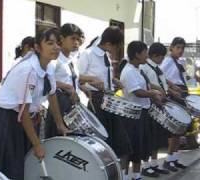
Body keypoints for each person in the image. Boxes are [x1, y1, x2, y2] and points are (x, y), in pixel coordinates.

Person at [0, 28, 68, 180]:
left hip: (24, 117)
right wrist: (37, 144)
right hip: (6, 118)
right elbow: (23, 114)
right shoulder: (28, 70)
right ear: (37, 47)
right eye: (50, 43)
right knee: (8, 168)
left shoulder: (49, 66)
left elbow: (52, 93)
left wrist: (60, 123)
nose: (56, 47)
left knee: (24, 166)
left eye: (58, 43)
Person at [77, 26, 131, 178]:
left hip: (110, 100)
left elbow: (104, 77)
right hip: (96, 101)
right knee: (102, 146)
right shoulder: (87, 54)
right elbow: (77, 77)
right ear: (108, 44)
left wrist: (114, 80)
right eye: (116, 47)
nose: (117, 50)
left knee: (121, 143)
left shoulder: (105, 56)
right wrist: (91, 83)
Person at [120, 41, 163, 180]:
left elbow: (148, 85)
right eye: (145, 52)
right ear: (137, 54)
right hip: (132, 115)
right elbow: (137, 92)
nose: (147, 55)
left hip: (142, 113)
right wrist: (152, 94)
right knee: (130, 147)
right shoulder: (128, 71)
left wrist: (159, 90)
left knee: (139, 147)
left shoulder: (139, 69)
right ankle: (125, 176)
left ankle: (137, 175)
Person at [139, 42, 182, 177]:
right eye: (161, 57)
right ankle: (145, 166)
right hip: (150, 104)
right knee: (149, 137)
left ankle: (154, 164)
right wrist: (156, 92)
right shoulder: (144, 68)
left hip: (160, 103)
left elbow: (162, 82)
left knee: (157, 138)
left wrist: (171, 90)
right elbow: (146, 85)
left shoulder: (157, 68)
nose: (163, 59)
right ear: (154, 55)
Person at [45, 23, 82, 138]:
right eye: (72, 38)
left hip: (72, 103)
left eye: (78, 39)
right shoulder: (56, 58)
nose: (76, 42)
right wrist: (67, 87)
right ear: (62, 38)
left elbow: (73, 79)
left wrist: (83, 87)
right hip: (59, 103)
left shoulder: (71, 59)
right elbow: (46, 80)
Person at [160, 37, 188, 171]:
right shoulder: (167, 61)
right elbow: (161, 77)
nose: (180, 50)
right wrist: (171, 90)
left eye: (182, 48)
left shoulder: (178, 62)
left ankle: (174, 159)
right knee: (174, 130)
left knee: (180, 131)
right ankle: (168, 160)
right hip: (174, 94)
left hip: (181, 93)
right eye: (178, 48)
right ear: (171, 47)